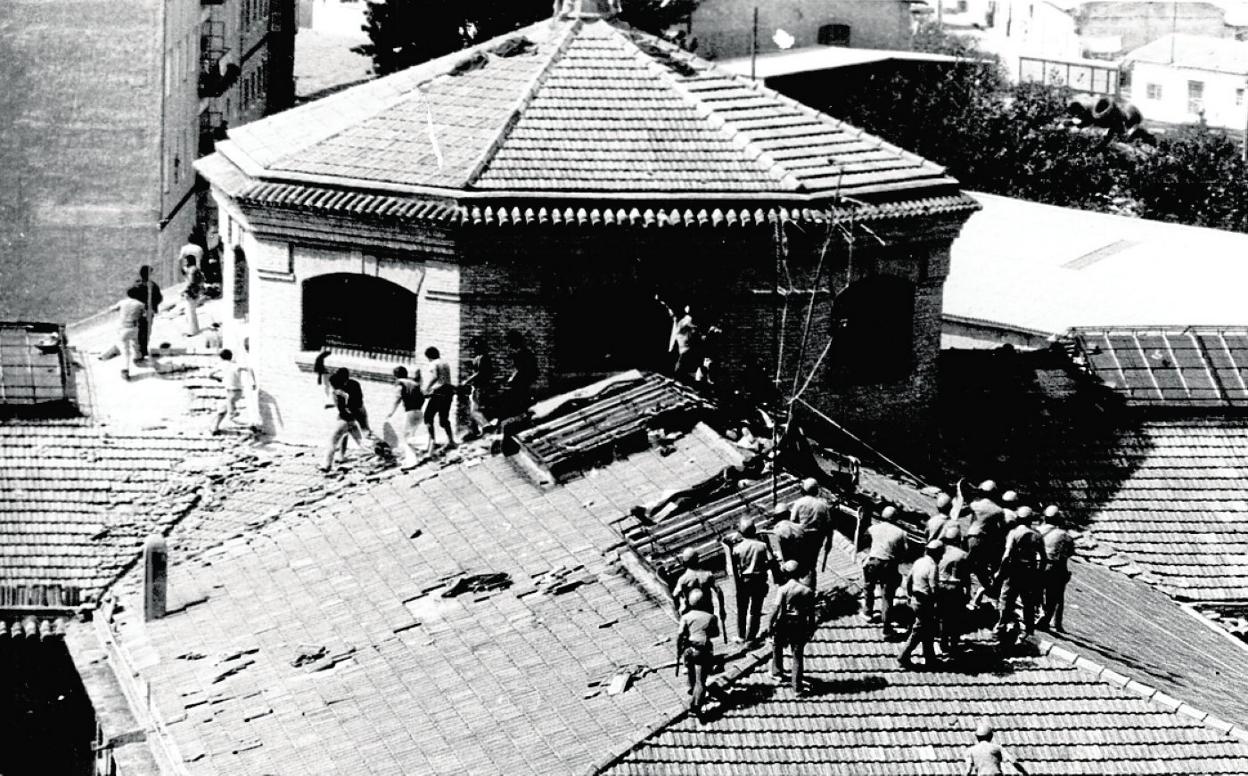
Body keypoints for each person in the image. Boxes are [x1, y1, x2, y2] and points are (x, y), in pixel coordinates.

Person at [994, 506, 1046, 643]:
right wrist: (1038, 574)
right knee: (1028, 603)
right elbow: (1044, 558)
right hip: (1029, 572)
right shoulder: (1037, 535)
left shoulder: (1014, 533)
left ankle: (1000, 627)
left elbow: (1006, 556)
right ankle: (1028, 631)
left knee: (1006, 599)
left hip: (1014, 571)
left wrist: (1000, 572)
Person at [768, 560, 815, 695]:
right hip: (799, 625)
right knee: (797, 656)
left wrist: (770, 625)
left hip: (783, 623)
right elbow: (811, 613)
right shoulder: (807, 591)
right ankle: (797, 687)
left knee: (777, 646)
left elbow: (775, 609)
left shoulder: (783, 590)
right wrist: (811, 628)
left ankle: (777, 672)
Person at [899, 539, 943, 670]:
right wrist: (938, 603)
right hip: (925, 602)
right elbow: (934, 587)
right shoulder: (932, 566)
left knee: (928, 629)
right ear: (937, 554)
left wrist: (909, 595)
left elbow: (908, 579)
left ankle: (930, 658)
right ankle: (903, 656)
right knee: (919, 630)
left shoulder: (919, 562)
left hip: (915, 599)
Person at [676, 589, 720, 719]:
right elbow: (715, 633)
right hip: (703, 650)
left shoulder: (686, 617)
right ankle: (696, 706)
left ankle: (691, 690)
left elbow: (680, 635)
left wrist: (679, 650)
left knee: (690, 672)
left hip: (689, 649)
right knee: (701, 681)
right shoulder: (711, 617)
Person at [862, 506, 907, 635]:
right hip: (889, 565)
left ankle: (868, 612)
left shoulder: (872, 529)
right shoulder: (901, 533)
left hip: (874, 561)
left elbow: (864, 543)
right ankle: (886, 628)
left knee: (868, 587)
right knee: (887, 596)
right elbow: (904, 552)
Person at [729, 517, 775, 642]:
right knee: (756, 609)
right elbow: (771, 561)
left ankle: (741, 635)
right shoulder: (762, 545)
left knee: (742, 609)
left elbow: (733, 568)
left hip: (745, 581)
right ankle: (752, 636)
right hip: (760, 579)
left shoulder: (737, 549)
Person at [322, 368, 373, 473]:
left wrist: (345, 410)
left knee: (332, 441)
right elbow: (351, 401)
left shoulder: (338, 393)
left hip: (345, 419)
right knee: (360, 441)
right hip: (354, 416)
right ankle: (377, 452)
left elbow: (344, 404)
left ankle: (326, 465)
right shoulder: (352, 385)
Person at [967, 481, 1006, 607]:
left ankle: (967, 592)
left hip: (971, 537)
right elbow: (1002, 529)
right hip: (985, 540)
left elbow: (958, 513)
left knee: (967, 565)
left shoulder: (975, 504)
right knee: (981, 567)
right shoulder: (999, 510)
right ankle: (989, 590)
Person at [1036, 505, 1075, 632]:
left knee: (1035, 591)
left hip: (1037, 565)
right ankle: (1046, 621)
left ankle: (1035, 614)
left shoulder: (1037, 531)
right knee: (1054, 597)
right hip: (1056, 568)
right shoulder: (1065, 536)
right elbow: (1069, 553)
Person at [789, 478, 835, 584]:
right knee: (811, 564)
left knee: (799, 563)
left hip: (801, 537)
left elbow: (792, 521)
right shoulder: (822, 505)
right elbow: (829, 525)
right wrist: (829, 541)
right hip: (816, 538)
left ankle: (799, 586)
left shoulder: (798, 503)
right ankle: (810, 588)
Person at [937, 524, 971, 655]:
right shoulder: (963, 555)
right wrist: (968, 593)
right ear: (959, 539)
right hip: (954, 589)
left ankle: (943, 642)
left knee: (942, 617)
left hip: (940, 588)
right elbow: (966, 577)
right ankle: (954, 643)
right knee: (956, 617)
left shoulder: (940, 550)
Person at [672, 548, 726, 625]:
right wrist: (722, 609)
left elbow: (675, 595)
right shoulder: (707, 574)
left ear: (684, 563)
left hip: (692, 611)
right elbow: (719, 591)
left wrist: (678, 609)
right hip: (708, 609)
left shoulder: (683, 579)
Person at [420, 347, 456, 454]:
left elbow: (435, 377)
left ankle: (433, 442)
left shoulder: (433, 364)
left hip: (439, 391)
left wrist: (427, 388)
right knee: (444, 419)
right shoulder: (445, 363)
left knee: (428, 417)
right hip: (448, 391)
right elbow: (445, 380)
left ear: (429, 356)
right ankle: (451, 441)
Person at [209, 349, 254, 434]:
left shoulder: (221, 365)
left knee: (230, 414)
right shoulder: (236, 365)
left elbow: (210, 375)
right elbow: (249, 369)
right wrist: (253, 382)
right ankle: (215, 428)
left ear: (221, 358)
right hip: (238, 391)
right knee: (223, 408)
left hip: (231, 392)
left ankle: (250, 424)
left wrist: (217, 378)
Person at [387, 366, 424, 466]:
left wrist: (391, 412)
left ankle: (427, 442)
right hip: (419, 412)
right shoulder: (415, 383)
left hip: (409, 413)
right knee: (409, 435)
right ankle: (411, 459)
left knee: (407, 438)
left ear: (395, 375)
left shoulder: (400, 383)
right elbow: (422, 397)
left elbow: (397, 398)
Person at [964, 720, 1030, 776]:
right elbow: (1013, 761)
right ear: (991, 736)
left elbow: (968, 770)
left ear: (977, 737)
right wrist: (1025, 773)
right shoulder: (997, 748)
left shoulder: (970, 751)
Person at [112, 287, 147, 380]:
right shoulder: (140, 304)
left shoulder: (122, 302)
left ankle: (125, 370)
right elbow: (145, 315)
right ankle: (137, 358)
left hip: (123, 328)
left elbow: (113, 309)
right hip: (134, 327)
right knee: (135, 343)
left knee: (125, 350)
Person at [460, 336, 491, 437]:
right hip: (477, 387)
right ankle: (475, 431)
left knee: (474, 411)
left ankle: (487, 427)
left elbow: (480, 372)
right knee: (473, 409)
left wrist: (467, 381)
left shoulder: (483, 357)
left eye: (474, 347)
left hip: (479, 387)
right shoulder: (478, 358)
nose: (473, 349)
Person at [502, 329, 536, 418]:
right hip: (526, 377)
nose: (509, 345)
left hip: (524, 377)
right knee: (522, 396)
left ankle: (525, 415)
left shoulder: (520, 353)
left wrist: (512, 378)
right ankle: (526, 413)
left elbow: (520, 368)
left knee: (517, 396)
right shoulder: (525, 351)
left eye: (510, 342)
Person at [131, 265, 163, 360]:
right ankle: (143, 350)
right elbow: (159, 298)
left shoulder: (137, 284)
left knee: (138, 330)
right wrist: (154, 306)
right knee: (146, 331)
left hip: (138, 311)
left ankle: (139, 351)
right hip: (149, 311)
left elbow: (130, 293)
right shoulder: (152, 285)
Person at [180, 249, 205, 337]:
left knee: (190, 312)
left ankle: (193, 331)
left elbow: (191, 282)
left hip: (191, 293)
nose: (185, 263)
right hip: (195, 292)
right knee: (191, 312)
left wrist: (184, 290)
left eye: (186, 261)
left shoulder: (192, 270)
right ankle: (193, 329)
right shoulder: (195, 269)